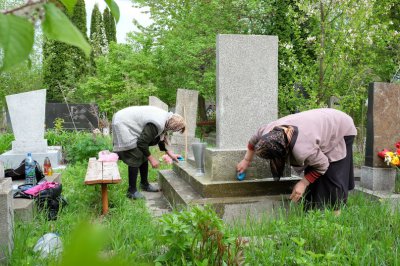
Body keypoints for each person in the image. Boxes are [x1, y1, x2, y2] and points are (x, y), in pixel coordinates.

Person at [236, 108, 357, 211]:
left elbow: (322, 165)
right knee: (314, 175)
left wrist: (303, 183)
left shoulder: (303, 149)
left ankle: (335, 216)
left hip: (341, 127)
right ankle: (313, 212)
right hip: (320, 123)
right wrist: (246, 160)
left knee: (331, 176)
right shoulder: (267, 132)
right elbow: (253, 142)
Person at [112, 106, 186, 199]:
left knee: (143, 154)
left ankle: (144, 184)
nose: (172, 132)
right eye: (174, 130)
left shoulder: (167, 119)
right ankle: (131, 191)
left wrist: (170, 154)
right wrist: (152, 159)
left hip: (125, 119)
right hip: (123, 122)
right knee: (135, 155)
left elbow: (161, 137)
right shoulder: (158, 123)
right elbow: (142, 143)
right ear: (172, 126)